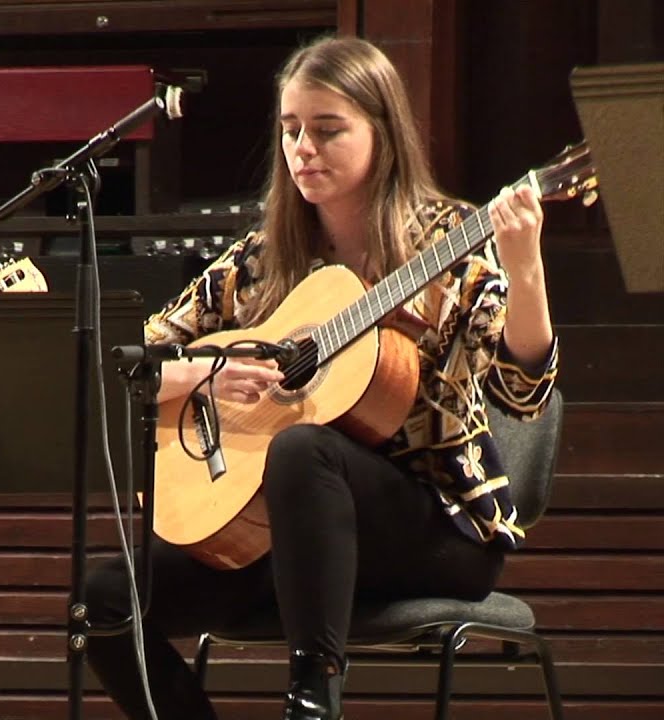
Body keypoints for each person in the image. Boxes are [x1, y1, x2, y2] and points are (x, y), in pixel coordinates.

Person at [84, 35, 559, 720]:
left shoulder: (451, 242)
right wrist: (205, 375)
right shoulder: (262, 258)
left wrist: (525, 270)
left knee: (303, 450)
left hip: (433, 529)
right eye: (291, 130)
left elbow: (524, 392)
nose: (303, 148)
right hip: (288, 541)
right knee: (104, 602)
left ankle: (312, 701)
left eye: (328, 130)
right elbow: (133, 363)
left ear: (383, 134)